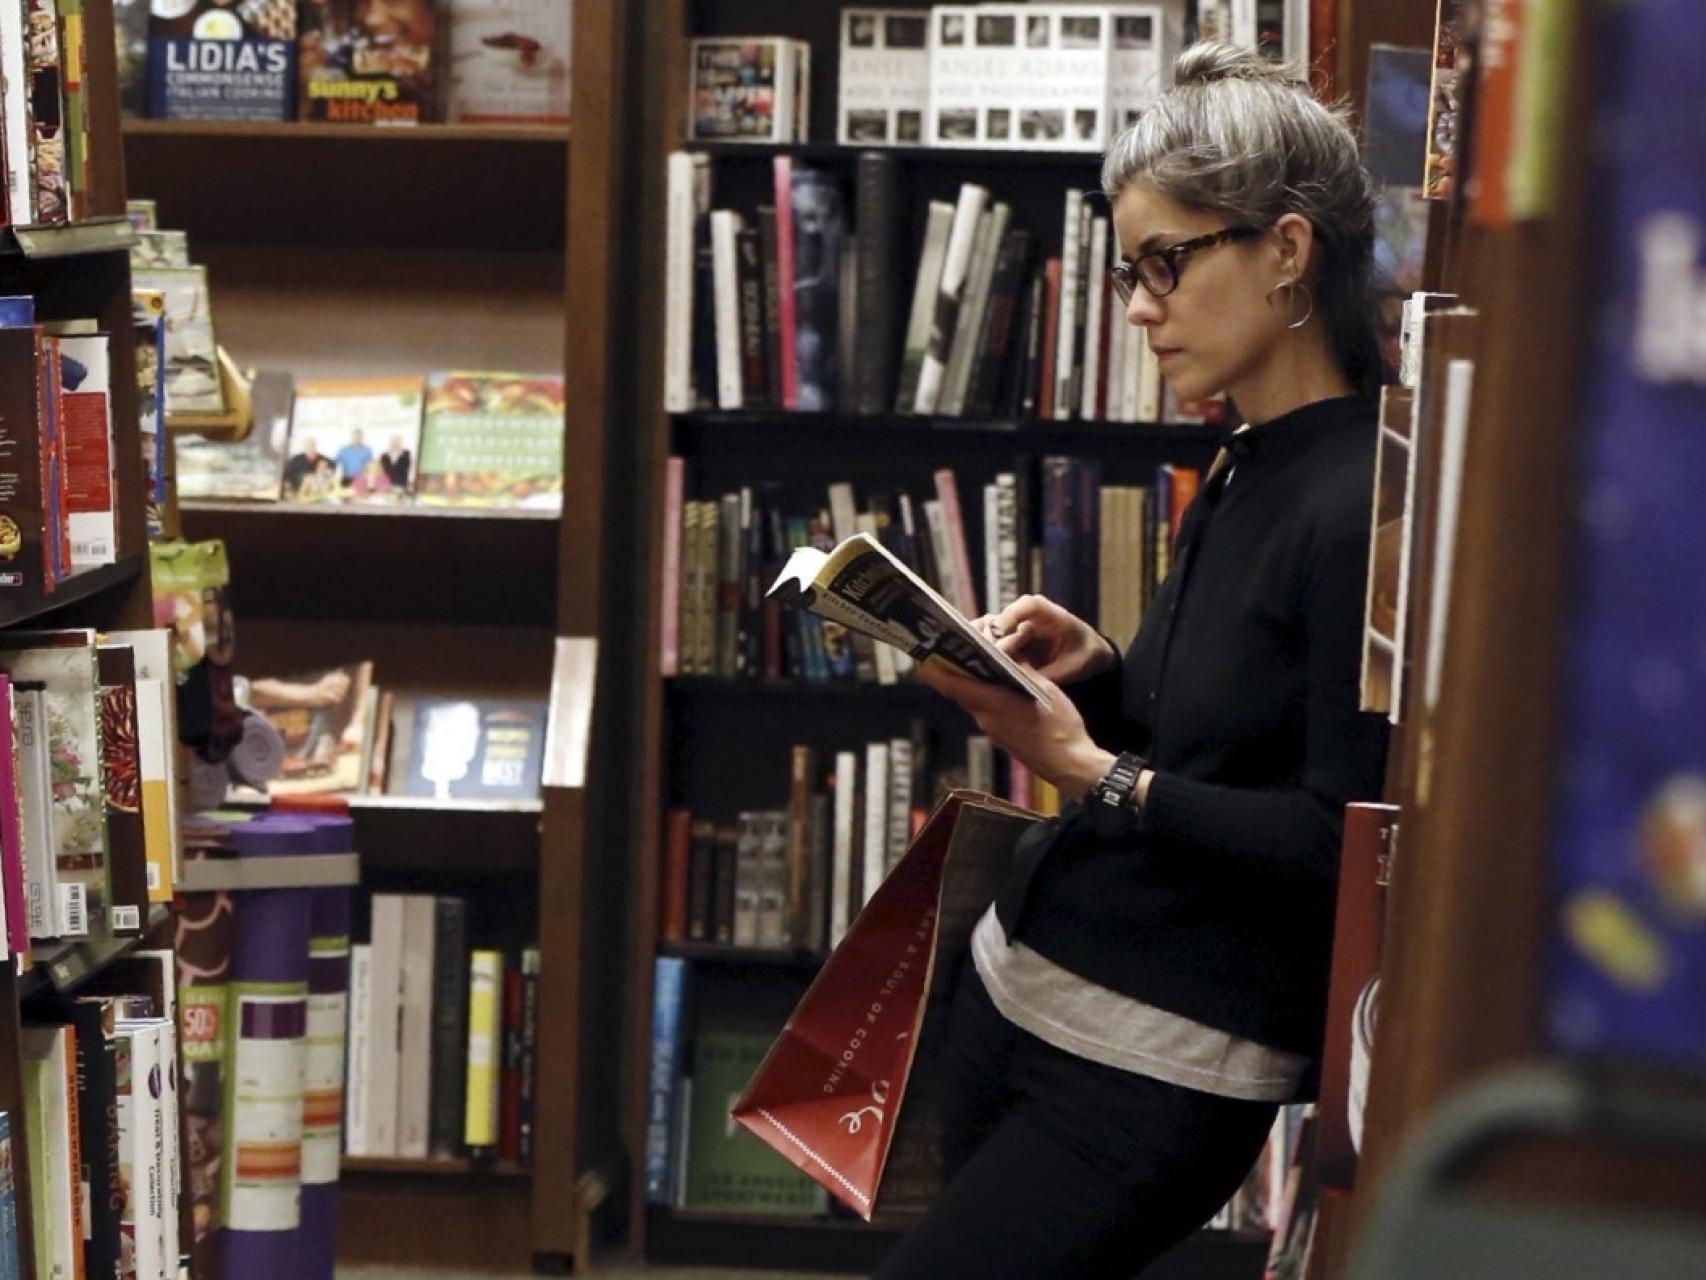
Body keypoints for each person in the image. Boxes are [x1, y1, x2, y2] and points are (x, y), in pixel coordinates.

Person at [877, 43, 1392, 1280]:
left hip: (1157, 1057)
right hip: (1035, 990)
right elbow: (1211, 737)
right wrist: (1099, 671)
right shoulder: (1243, 452)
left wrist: (1089, 767)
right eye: (1128, 269)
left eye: (1167, 262)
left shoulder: (1363, 498)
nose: (1137, 304)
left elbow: (1339, 839)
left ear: (1284, 251)